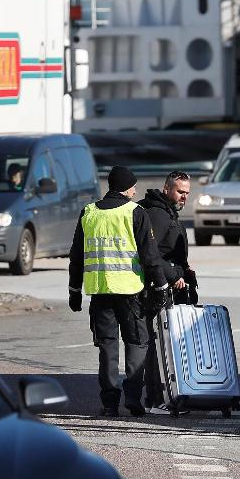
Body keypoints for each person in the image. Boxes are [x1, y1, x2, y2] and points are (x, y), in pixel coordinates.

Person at [68, 165, 168, 417]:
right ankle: (133, 397)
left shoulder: (88, 213)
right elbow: (149, 255)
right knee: (137, 342)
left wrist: (74, 290)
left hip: (99, 292)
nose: (135, 190)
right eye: (133, 186)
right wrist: (161, 286)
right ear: (126, 188)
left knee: (107, 347)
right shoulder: (135, 212)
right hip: (130, 291)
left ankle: (110, 403)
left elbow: (76, 256)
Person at [138, 171, 197, 414]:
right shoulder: (159, 216)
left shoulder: (166, 212)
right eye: (180, 192)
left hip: (166, 287)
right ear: (166, 188)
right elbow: (148, 256)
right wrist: (174, 275)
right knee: (157, 347)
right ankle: (155, 399)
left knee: (164, 345)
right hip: (156, 291)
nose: (184, 197)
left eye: (187, 193)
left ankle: (164, 396)